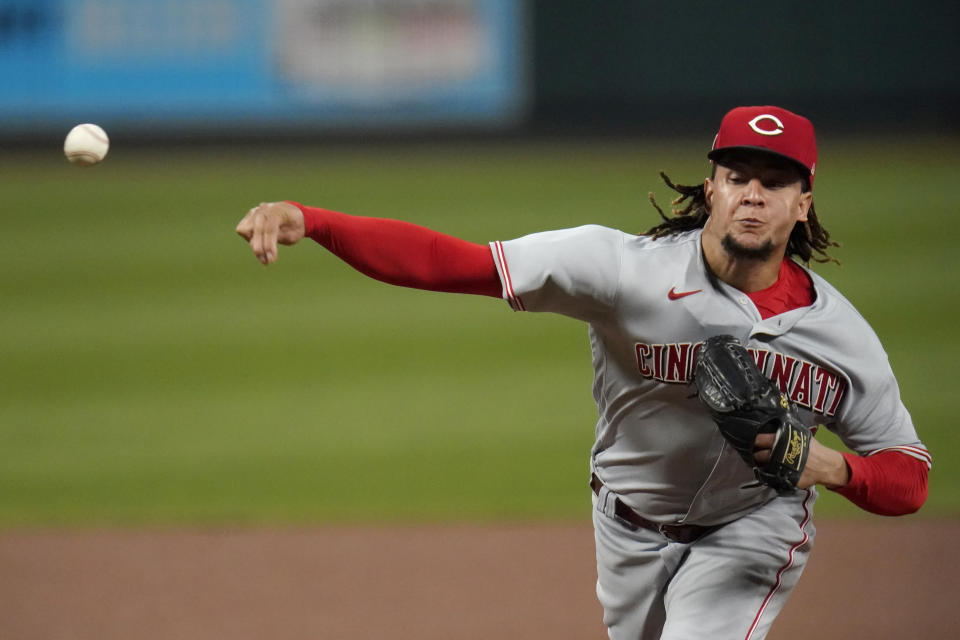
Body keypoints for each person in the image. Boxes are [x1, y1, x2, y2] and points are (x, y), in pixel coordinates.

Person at [235, 106, 930, 639]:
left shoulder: (839, 337)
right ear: (712, 189)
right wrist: (317, 222)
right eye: (738, 177)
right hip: (626, 522)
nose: (753, 194)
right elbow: (459, 263)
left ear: (802, 203)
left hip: (753, 528)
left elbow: (909, 475)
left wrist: (828, 467)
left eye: (774, 182)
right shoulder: (622, 270)